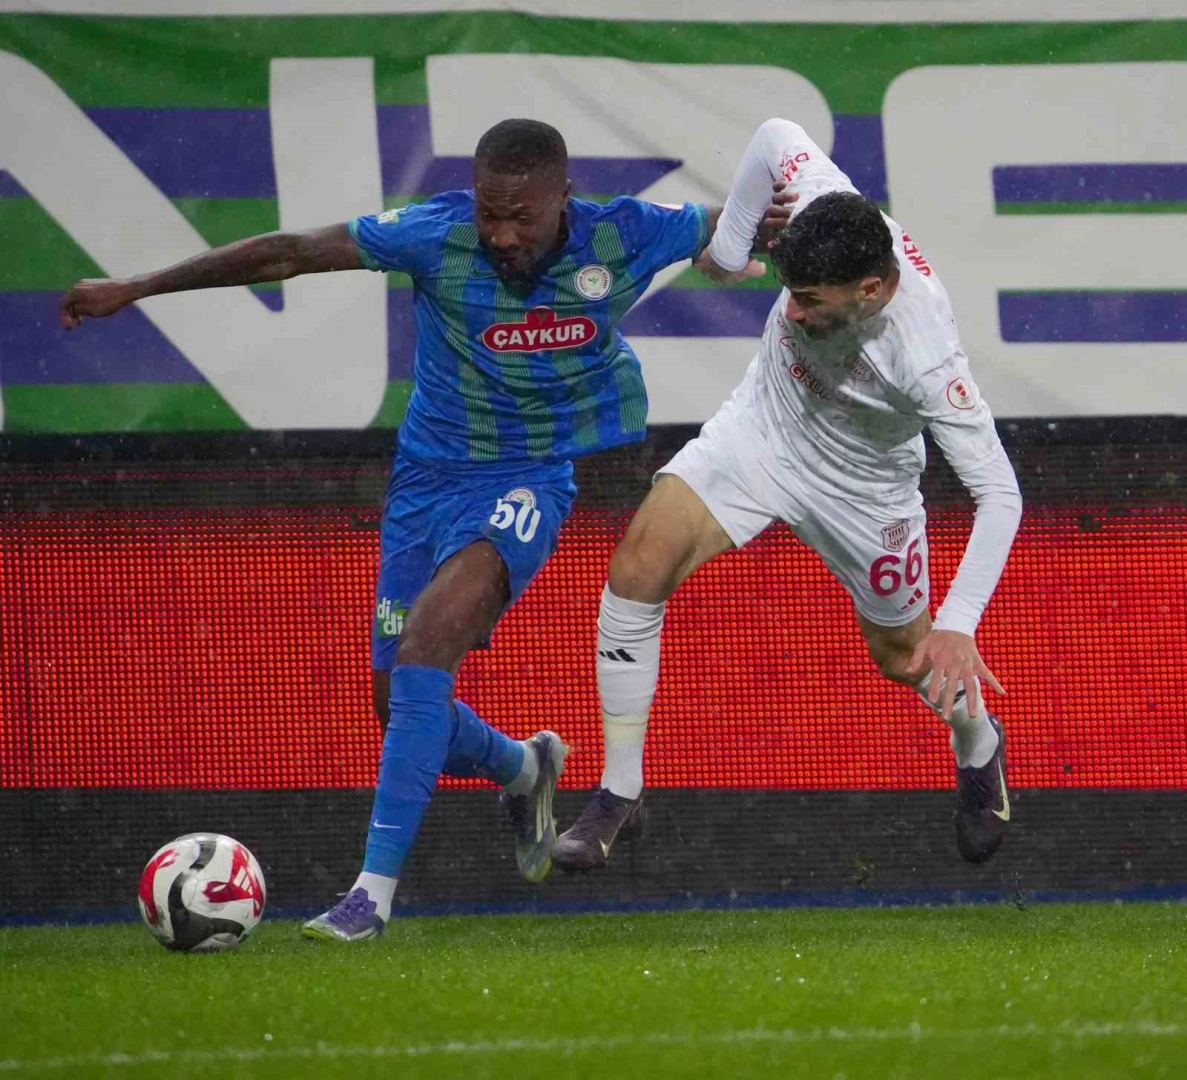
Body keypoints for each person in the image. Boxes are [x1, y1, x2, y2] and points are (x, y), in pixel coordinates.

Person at [60, 118, 784, 940]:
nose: (501, 235)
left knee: (426, 645)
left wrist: (821, 232)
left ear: (563, 199)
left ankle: (369, 897)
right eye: (489, 214)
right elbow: (289, 252)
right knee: (397, 701)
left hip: (528, 477)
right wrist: (136, 287)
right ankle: (523, 767)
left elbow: (742, 221)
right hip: (424, 482)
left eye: (521, 217)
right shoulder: (435, 234)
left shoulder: (625, 233)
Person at [553, 118, 1023, 873]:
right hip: (764, 426)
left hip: (864, 487)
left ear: (871, 290)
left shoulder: (928, 358)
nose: (792, 311)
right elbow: (775, 135)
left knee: (906, 658)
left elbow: (1000, 493)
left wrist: (960, 623)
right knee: (637, 567)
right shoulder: (824, 203)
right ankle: (620, 790)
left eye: (807, 299)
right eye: (788, 291)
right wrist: (730, 247)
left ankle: (977, 741)